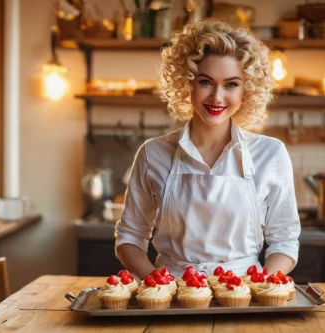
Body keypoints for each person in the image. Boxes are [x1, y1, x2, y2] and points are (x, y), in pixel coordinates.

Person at [114, 19, 301, 279]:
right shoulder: (152, 153)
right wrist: (158, 283)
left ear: (247, 89)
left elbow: (284, 241)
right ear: (186, 82)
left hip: (243, 293)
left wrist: (260, 283)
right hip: (172, 292)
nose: (217, 97)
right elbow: (130, 237)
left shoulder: (271, 154)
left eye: (231, 84)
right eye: (205, 82)